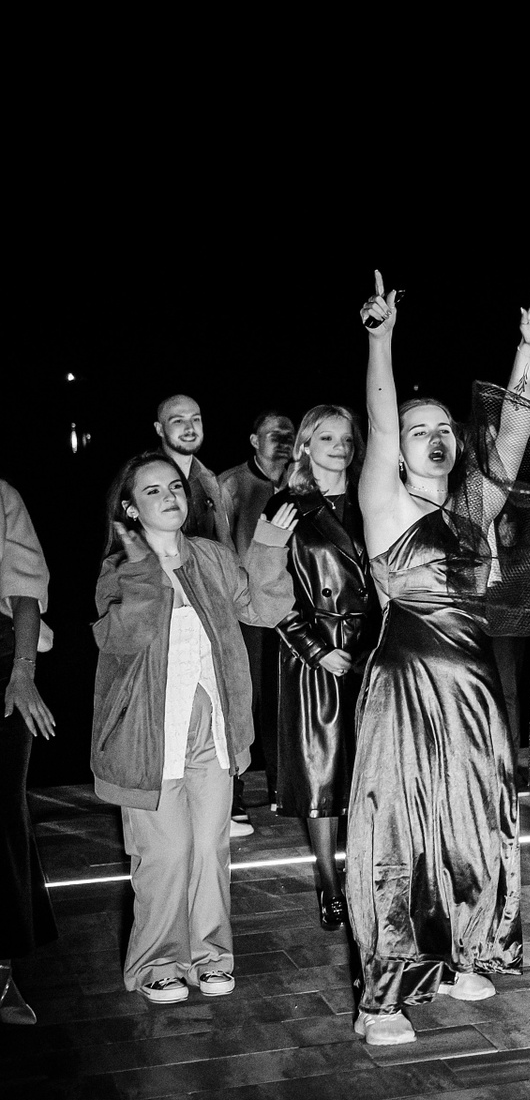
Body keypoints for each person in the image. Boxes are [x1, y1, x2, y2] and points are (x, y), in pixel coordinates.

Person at [345, 273, 530, 1045]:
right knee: (398, 830)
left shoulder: (471, 509)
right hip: (406, 680)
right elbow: (378, 420)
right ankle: (384, 996)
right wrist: (381, 340)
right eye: (417, 428)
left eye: (442, 428)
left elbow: (514, 438)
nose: (433, 436)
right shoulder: (386, 501)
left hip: (473, 686)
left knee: (474, 820)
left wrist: (526, 352)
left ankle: (464, 950)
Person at [91, 452, 295, 1004]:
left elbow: (263, 610)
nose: (170, 496)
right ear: (130, 510)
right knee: (165, 854)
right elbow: (122, 638)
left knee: (210, 849)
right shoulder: (118, 571)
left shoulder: (211, 557)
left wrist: (271, 544)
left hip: (213, 733)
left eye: (175, 487)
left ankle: (212, 957)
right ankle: (158, 963)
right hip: (148, 739)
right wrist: (143, 571)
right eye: (153, 491)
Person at [267, 405, 376, 931]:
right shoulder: (287, 506)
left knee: (371, 768)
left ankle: (368, 877)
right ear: (305, 445)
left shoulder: (373, 499)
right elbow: (268, 590)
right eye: (327, 437)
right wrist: (314, 648)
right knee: (323, 775)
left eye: (347, 438)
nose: (340, 447)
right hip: (316, 654)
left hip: (371, 648)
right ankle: (331, 885)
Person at [219, 409, 295, 834]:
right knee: (243, 697)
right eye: (273, 433)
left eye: (289, 433)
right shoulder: (231, 485)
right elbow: (219, 546)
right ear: (254, 440)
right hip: (246, 607)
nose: (283, 440)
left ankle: (284, 787)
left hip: (292, 605)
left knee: (284, 698)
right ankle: (233, 794)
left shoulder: (302, 480)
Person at [1, 479, 56, 1024]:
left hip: (3, 663)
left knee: (2, 813)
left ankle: (2, 972)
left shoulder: (2, 496)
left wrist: (22, 673)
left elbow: (24, 591)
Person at [153, 394, 232, 546]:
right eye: (178, 421)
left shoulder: (210, 480)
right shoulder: (144, 479)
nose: (190, 428)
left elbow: (225, 543)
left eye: (195, 419)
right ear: (160, 429)